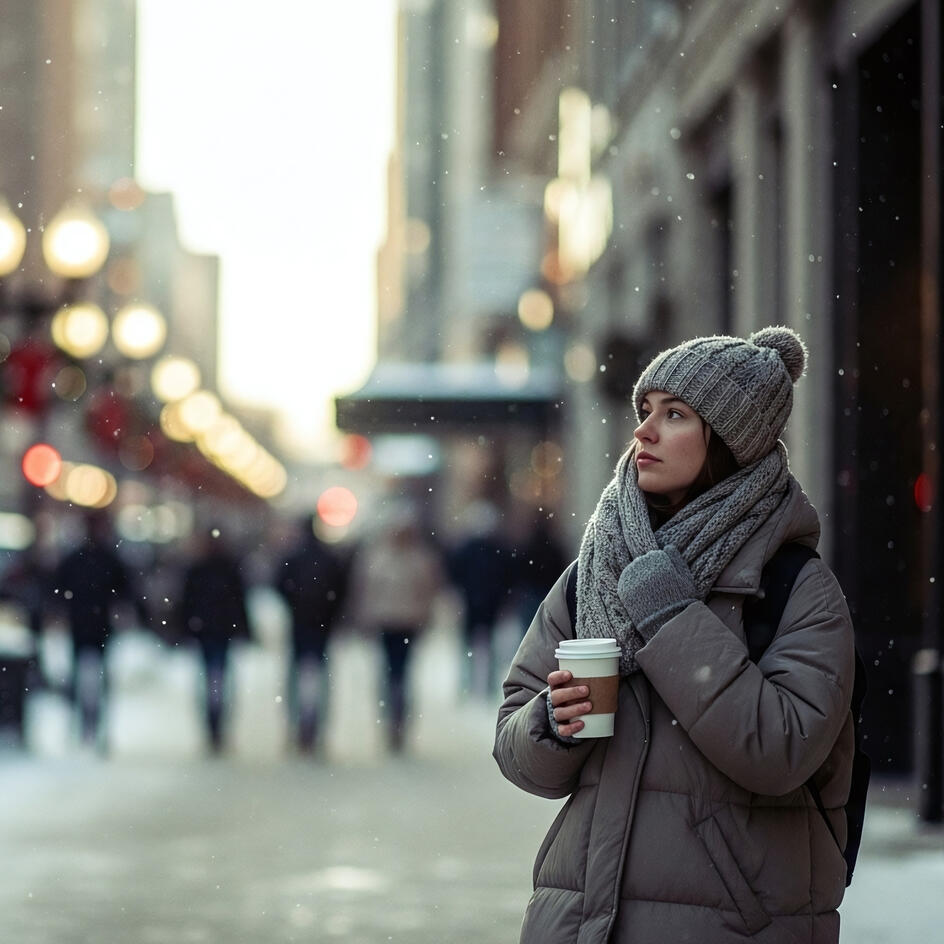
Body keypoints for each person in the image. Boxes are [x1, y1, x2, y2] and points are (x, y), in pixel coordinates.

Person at [494, 327, 856, 943]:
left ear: (730, 439)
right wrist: (551, 723)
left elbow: (781, 752)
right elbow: (516, 750)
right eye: (645, 411)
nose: (644, 431)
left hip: (732, 923)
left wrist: (671, 616)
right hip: (585, 919)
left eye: (675, 414)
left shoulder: (797, 586)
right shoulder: (597, 568)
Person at [348, 510, 444, 752]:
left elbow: (429, 592)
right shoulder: (380, 557)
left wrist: (426, 618)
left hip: (408, 624)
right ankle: (392, 721)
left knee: (400, 675)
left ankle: (399, 721)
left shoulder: (418, 559)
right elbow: (364, 591)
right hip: (387, 624)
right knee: (391, 675)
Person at [53, 511, 150, 747]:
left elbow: (58, 588)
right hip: (98, 626)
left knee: (83, 677)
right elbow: (126, 591)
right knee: (97, 678)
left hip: (85, 625)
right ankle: (93, 725)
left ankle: (83, 726)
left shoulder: (79, 559)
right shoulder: (106, 559)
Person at [274, 514, 348, 753]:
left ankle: (298, 725)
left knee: (297, 677)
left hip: (301, 625)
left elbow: (280, 584)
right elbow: (341, 588)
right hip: (321, 626)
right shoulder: (328, 558)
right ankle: (316, 726)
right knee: (319, 677)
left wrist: (295, 607)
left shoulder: (293, 558)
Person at [177, 526, 251, 753]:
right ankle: (217, 725)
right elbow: (238, 601)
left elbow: (187, 602)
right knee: (218, 680)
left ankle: (213, 725)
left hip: (207, 632)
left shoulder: (199, 570)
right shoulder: (227, 569)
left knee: (211, 680)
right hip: (218, 632)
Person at [448, 500, 514, 696]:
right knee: (473, 647)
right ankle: (472, 685)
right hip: (477, 603)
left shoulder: (492, 549)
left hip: (484, 603)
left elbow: (507, 575)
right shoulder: (478, 549)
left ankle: (478, 685)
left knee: (480, 647)